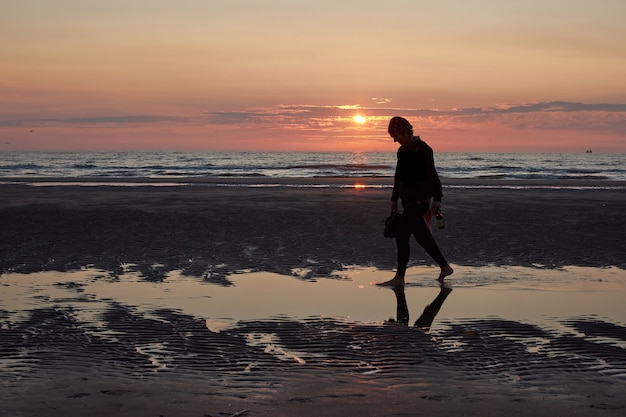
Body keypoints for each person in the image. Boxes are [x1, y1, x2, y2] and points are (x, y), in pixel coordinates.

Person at [378, 116, 453, 286]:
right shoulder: (402, 151)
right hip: (407, 202)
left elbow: (432, 174)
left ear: (405, 131)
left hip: (419, 202)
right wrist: (394, 198)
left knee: (402, 235)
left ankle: (399, 278)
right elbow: (398, 178)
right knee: (422, 237)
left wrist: (438, 199)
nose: (395, 140)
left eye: (396, 135)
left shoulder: (423, 149)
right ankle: (444, 266)